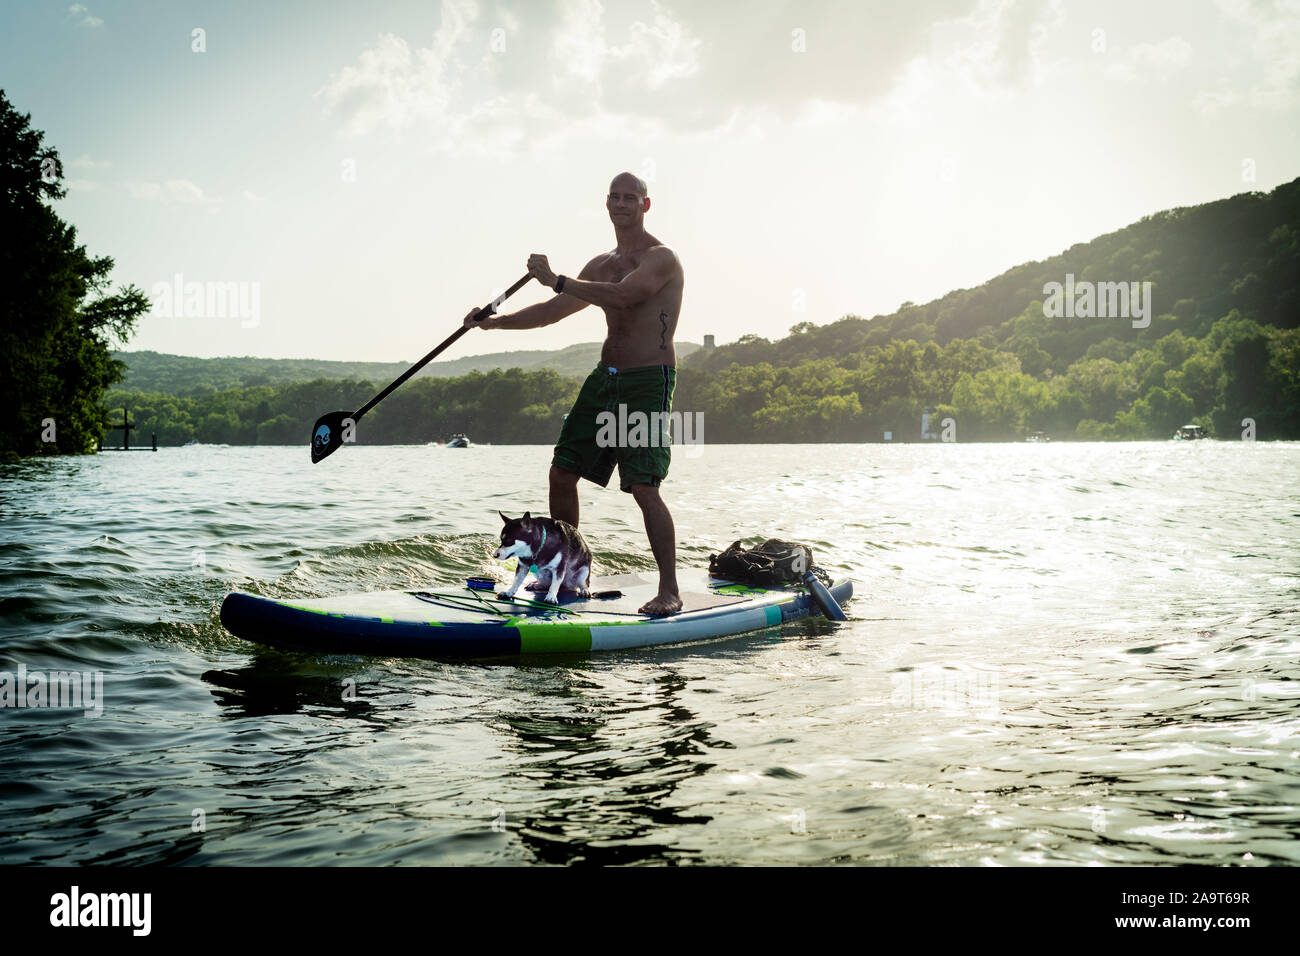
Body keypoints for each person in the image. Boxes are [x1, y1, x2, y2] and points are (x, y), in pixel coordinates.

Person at [463, 171, 684, 615]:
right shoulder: (600, 263)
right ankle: (561, 573)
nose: (622, 204)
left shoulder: (661, 258)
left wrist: (558, 279)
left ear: (645, 205)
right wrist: (493, 322)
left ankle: (669, 590)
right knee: (562, 472)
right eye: (615, 197)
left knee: (642, 486)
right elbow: (551, 312)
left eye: (631, 198)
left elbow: (624, 297)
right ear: (607, 204)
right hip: (606, 378)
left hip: (646, 381)